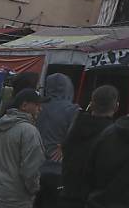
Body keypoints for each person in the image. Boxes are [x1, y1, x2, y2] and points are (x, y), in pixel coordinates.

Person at [0, 89, 48, 208]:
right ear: (24, 105)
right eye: (37, 105)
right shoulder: (29, 131)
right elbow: (30, 171)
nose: (40, 109)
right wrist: (34, 189)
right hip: (12, 199)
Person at [59, 85, 119, 208]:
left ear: (91, 104)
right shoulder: (114, 134)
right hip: (94, 199)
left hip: (68, 194)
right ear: (116, 106)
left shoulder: (76, 127)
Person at [36, 74, 80, 208]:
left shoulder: (38, 107)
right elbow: (77, 137)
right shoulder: (73, 110)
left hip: (33, 170)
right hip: (58, 171)